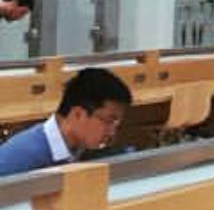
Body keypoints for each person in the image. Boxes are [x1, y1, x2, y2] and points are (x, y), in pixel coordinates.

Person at [0, 67, 130, 175]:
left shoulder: (81, 149)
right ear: (78, 114)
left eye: (116, 123)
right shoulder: (19, 158)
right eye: (109, 121)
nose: (112, 132)